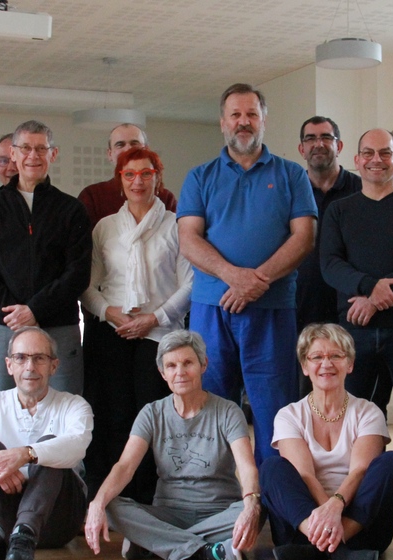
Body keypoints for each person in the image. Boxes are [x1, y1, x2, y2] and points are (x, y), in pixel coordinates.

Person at [177, 83, 317, 464]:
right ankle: (220, 507)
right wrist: (233, 277)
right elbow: (188, 240)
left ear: (263, 121)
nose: (244, 122)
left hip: (273, 309)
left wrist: (257, 282)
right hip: (212, 308)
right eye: (236, 115)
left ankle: (276, 507)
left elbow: (304, 238)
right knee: (211, 409)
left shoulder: (291, 175)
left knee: (275, 414)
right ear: (223, 122)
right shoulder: (200, 176)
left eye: (251, 114)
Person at [84, 331, 262, 560]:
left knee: (260, 510)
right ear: (162, 373)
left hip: (219, 512)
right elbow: (125, 466)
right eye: (171, 365)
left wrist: (250, 504)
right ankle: (206, 550)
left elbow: (247, 467)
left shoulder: (228, 412)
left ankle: (155, 543)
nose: (180, 372)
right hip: (168, 513)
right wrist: (97, 503)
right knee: (110, 506)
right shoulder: (152, 413)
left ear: (203, 365)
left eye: (188, 363)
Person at [80, 146, 192, 503]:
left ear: (158, 178)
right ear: (120, 181)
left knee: (151, 419)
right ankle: (107, 500)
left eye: (146, 173)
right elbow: (87, 285)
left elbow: (190, 284)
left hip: (159, 337)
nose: (138, 181)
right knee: (111, 416)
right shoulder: (105, 228)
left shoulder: (176, 225)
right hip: (109, 332)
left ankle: (147, 500)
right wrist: (110, 312)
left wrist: (154, 318)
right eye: (129, 175)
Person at [260, 324, 393, 560]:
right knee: (271, 469)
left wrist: (336, 506)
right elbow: (304, 474)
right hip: (303, 525)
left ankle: (322, 550)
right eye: (317, 357)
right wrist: (325, 516)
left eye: (336, 356)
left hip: (361, 524)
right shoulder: (289, 415)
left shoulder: (368, 411)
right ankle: (341, 553)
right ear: (305, 367)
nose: (326, 363)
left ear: (349, 364)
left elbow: (360, 470)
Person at [320, 128, 393, 445]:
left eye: (385, 153)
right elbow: (330, 265)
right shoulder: (339, 211)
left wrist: (375, 299)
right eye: (369, 153)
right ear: (357, 160)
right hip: (354, 329)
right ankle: (367, 490)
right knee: (358, 418)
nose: (377, 160)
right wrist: (372, 288)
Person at [0, 327, 93, 560]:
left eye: (39, 358)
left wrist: (25, 454)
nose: (30, 367)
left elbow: (76, 445)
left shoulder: (74, 405)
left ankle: (25, 535)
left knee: (50, 447)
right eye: (21, 358)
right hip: (5, 522)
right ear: (9, 365)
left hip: (56, 521)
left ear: (54, 366)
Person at [0, 119, 91, 396]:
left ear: (53, 154)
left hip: (59, 324)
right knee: (2, 407)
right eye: (25, 148)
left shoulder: (72, 209)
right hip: (4, 324)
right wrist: (14, 313)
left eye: (40, 149)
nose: (33, 156)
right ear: (13, 153)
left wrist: (35, 310)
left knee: (66, 406)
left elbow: (78, 272)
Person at [294, 115, 362, 336]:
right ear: (301, 149)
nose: (318, 144)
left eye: (326, 137)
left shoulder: (362, 190)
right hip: (300, 305)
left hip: (352, 306)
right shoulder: (290, 193)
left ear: (339, 145)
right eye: (310, 139)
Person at [77, 123, 178, 227]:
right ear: (110, 154)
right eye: (120, 145)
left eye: (134, 143)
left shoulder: (165, 198)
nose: (128, 149)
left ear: (146, 150)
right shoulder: (92, 196)